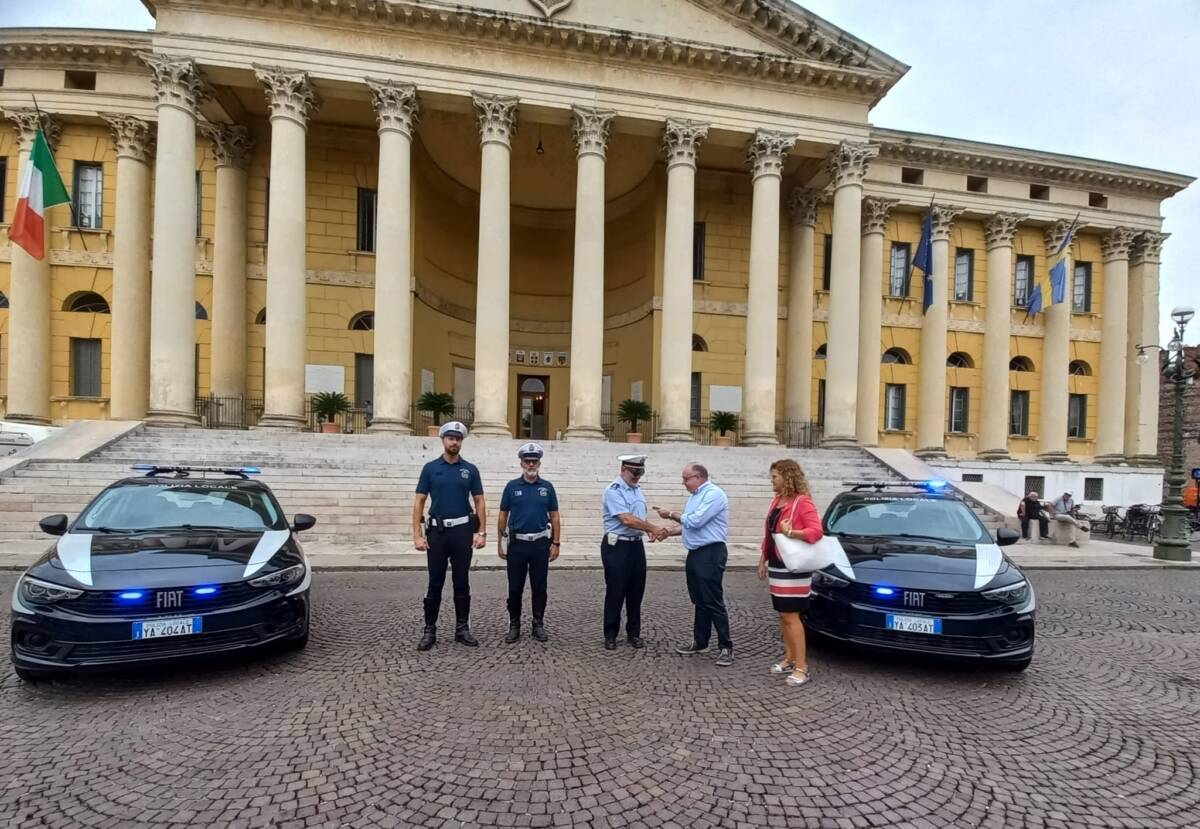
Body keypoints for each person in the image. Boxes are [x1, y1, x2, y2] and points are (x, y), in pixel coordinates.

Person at [412, 421, 487, 650]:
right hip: (437, 532)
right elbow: (419, 502)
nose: (454, 442)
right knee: (435, 582)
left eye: (458, 439)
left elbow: (479, 501)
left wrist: (481, 531)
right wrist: (417, 535)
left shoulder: (470, 469)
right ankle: (429, 630)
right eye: (451, 438)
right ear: (443, 440)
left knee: (461, 581)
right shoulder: (430, 468)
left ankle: (462, 629)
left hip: (462, 531)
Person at [654, 463, 734, 667]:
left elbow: (696, 521)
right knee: (699, 599)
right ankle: (700, 641)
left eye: (686, 478)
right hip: (696, 553)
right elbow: (688, 525)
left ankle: (726, 646)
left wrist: (670, 513)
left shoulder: (714, 494)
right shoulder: (695, 496)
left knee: (713, 600)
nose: (683, 483)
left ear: (698, 477)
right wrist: (667, 532)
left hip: (711, 552)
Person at [757, 458, 823, 687]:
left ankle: (802, 667)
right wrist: (763, 558)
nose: (771, 481)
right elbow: (769, 534)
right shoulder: (777, 500)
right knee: (783, 615)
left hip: (793, 566)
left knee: (792, 615)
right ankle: (789, 657)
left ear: (788, 477)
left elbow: (816, 532)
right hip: (777, 563)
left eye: (775, 477)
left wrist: (792, 532)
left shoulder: (802, 502)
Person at [600, 454, 667, 651]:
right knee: (616, 591)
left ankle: (634, 633)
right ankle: (610, 634)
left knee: (636, 591)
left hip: (635, 545)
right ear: (623, 470)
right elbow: (627, 519)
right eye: (633, 472)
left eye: (640, 472)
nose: (637, 476)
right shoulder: (614, 491)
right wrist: (653, 527)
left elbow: (638, 518)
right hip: (616, 546)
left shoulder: (638, 490)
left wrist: (646, 530)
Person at [497, 442, 561, 643]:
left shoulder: (547, 487)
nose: (531, 465)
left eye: (535, 461)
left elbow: (555, 516)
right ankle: (514, 624)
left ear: (539, 463)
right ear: (521, 463)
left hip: (540, 544)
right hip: (517, 544)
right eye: (528, 461)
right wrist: (500, 541)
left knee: (539, 587)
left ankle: (538, 623)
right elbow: (502, 515)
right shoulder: (511, 486)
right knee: (515, 588)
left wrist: (556, 543)